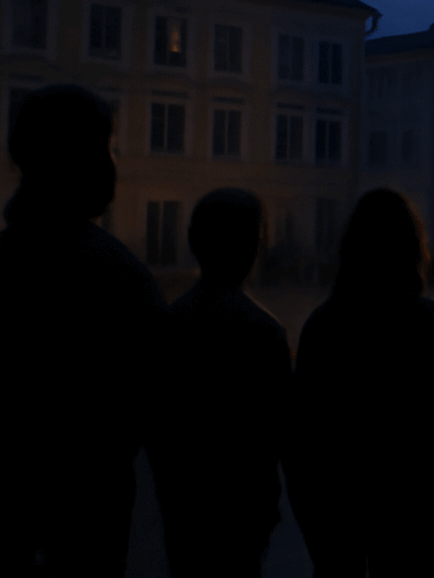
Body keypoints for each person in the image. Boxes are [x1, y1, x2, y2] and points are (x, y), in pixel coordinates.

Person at [0, 84, 166, 575]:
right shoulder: (119, 279)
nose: (116, 161)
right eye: (108, 147)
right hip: (87, 530)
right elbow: (162, 424)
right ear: (87, 161)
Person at [288, 188, 434, 577]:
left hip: (339, 513)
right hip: (411, 511)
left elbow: (300, 441)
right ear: (414, 249)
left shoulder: (323, 327)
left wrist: (312, 524)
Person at [148, 188, 291, 577]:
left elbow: (156, 428)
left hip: (183, 506)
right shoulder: (264, 333)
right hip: (243, 511)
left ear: (194, 241)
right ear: (253, 248)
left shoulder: (169, 326)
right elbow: (286, 436)